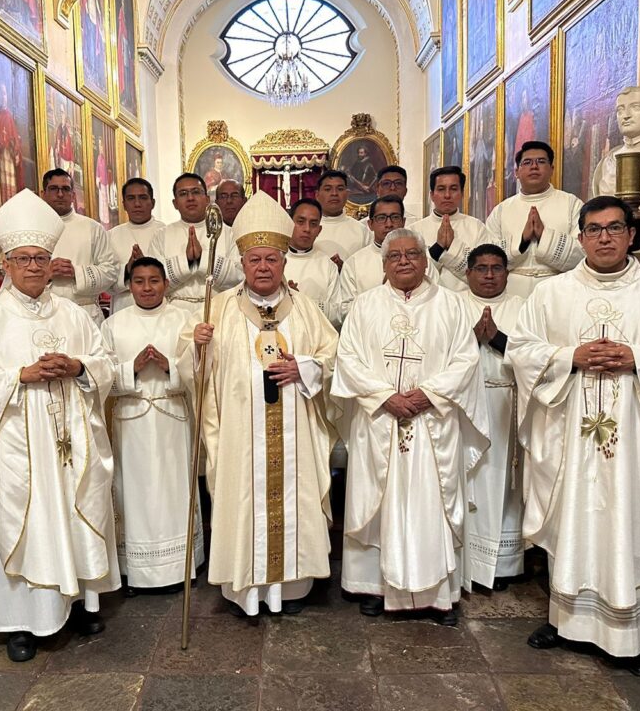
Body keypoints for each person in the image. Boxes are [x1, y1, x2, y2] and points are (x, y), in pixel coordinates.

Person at [508, 196, 640, 678]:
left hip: (639, 443)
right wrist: (569, 357)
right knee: (576, 519)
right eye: (594, 229)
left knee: (632, 519)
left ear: (631, 235)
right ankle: (566, 621)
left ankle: (632, 634)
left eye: (614, 228)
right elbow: (522, 349)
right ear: (579, 237)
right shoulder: (551, 294)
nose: (603, 237)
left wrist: (638, 357)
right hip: (570, 440)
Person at [0, 189, 120, 663]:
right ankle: (21, 621)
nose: (32, 267)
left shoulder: (75, 315)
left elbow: (105, 363)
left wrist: (78, 367)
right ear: (5, 263)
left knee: (74, 509)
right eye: (22, 258)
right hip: (17, 446)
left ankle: (82, 601)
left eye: (40, 259)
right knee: (25, 523)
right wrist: (18, 375)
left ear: (51, 264)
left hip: (69, 440)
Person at [179, 191, 340, 616]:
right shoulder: (220, 309)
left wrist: (303, 369)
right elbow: (193, 372)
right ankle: (247, 588)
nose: (263, 267)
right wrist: (196, 349)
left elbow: (333, 357)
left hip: (296, 436)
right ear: (243, 264)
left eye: (271, 259)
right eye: (255, 260)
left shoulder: (304, 309)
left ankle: (291, 585)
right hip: (240, 438)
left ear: (284, 263)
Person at [332, 228, 488, 622]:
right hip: (380, 419)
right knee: (377, 500)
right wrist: (386, 396)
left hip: (432, 422)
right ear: (383, 264)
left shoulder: (450, 305)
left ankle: (437, 594)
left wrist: (426, 395)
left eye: (412, 254)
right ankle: (373, 586)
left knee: (432, 500)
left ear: (425, 260)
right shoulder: (365, 305)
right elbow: (348, 358)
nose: (404, 261)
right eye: (395, 256)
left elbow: (466, 361)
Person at [101, 256, 203, 591]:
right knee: (135, 490)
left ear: (166, 284)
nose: (147, 288)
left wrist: (169, 365)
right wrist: (130, 368)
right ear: (129, 285)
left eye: (154, 280)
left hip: (172, 418)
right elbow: (101, 375)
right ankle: (136, 569)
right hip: (130, 423)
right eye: (140, 281)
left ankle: (179, 565)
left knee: (174, 487)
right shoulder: (114, 323)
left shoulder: (184, 319)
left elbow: (199, 369)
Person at [459, 244, 525, 591]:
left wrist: (497, 339)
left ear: (507, 274)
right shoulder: (452, 305)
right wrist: (472, 339)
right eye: (480, 268)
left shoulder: (523, 308)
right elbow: (441, 353)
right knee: (466, 481)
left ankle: (502, 565)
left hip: (505, 407)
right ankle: (464, 560)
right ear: (467, 273)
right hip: (464, 409)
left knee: (503, 483)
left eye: (496, 268)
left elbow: (533, 356)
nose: (488, 275)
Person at [486, 141, 584, 298]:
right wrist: (522, 240)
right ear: (517, 172)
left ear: (552, 169)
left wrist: (544, 236)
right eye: (527, 162)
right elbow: (487, 256)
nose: (534, 167)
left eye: (541, 161)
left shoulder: (572, 204)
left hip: (559, 291)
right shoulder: (502, 210)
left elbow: (584, 252)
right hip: (511, 293)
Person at [146, 173, 242, 312]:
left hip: (219, 309)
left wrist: (202, 258)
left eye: (196, 192)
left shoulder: (229, 233)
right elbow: (154, 280)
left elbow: (239, 277)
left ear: (208, 199)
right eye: (183, 193)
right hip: (174, 312)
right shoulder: (161, 235)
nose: (190, 198)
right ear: (175, 203)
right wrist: (187, 261)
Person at [39, 169, 118, 326]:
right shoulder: (32, 228)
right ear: (43, 194)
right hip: (44, 312)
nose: (60, 194)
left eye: (66, 189)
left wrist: (77, 272)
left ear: (73, 195)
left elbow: (111, 271)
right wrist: (47, 273)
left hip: (85, 312)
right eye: (54, 189)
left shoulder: (92, 228)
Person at [411, 167, 493, 292]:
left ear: (462, 194)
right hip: (427, 302)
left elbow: (484, 273)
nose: (447, 195)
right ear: (432, 195)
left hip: (467, 301)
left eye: (453, 189)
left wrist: (453, 247)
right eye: (441, 189)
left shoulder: (476, 227)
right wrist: (438, 248)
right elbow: (412, 273)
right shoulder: (414, 231)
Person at [335, 195, 406, 323]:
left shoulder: (419, 259)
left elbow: (430, 299)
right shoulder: (354, 264)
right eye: (381, 218)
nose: (389, 224)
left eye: (395, 217)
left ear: (403, 222)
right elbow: (345, 312)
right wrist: (380, 296)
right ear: (370, 224)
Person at [108, 178, 165, 312]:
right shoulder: (111, 236)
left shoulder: (166, 232)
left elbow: (173, 276)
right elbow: (106, 281)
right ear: (124, 204)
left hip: (160, 308)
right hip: (123, 307)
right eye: (131, 198)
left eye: (143, 198)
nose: (137, 203)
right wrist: (128, 269)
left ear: (153, 203)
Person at [283, 199, 341, 327]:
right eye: (300, 222)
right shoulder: (273, 260)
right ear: (288, 223)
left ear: (319, 230)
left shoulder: (327, 266)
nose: (307, 229)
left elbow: (337, 313)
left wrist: (302, 302)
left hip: (316, 337)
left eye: (313, 224)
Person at [313, 170, 373, 270]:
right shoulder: (308, 230)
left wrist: (345, 270)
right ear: (317, 195)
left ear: (347, 194)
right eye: (328, 189)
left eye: (340, 189)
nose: (334, 193)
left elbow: (369, 266)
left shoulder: (362, 231)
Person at [0, 83, 24, 205]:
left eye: (5, 94)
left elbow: (14, 137)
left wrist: (16, 151)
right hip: (3, 159)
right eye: (2, 94)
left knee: (12, 188)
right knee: (4, 190)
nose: (4, 97)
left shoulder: (9, 115)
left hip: (10, 157)